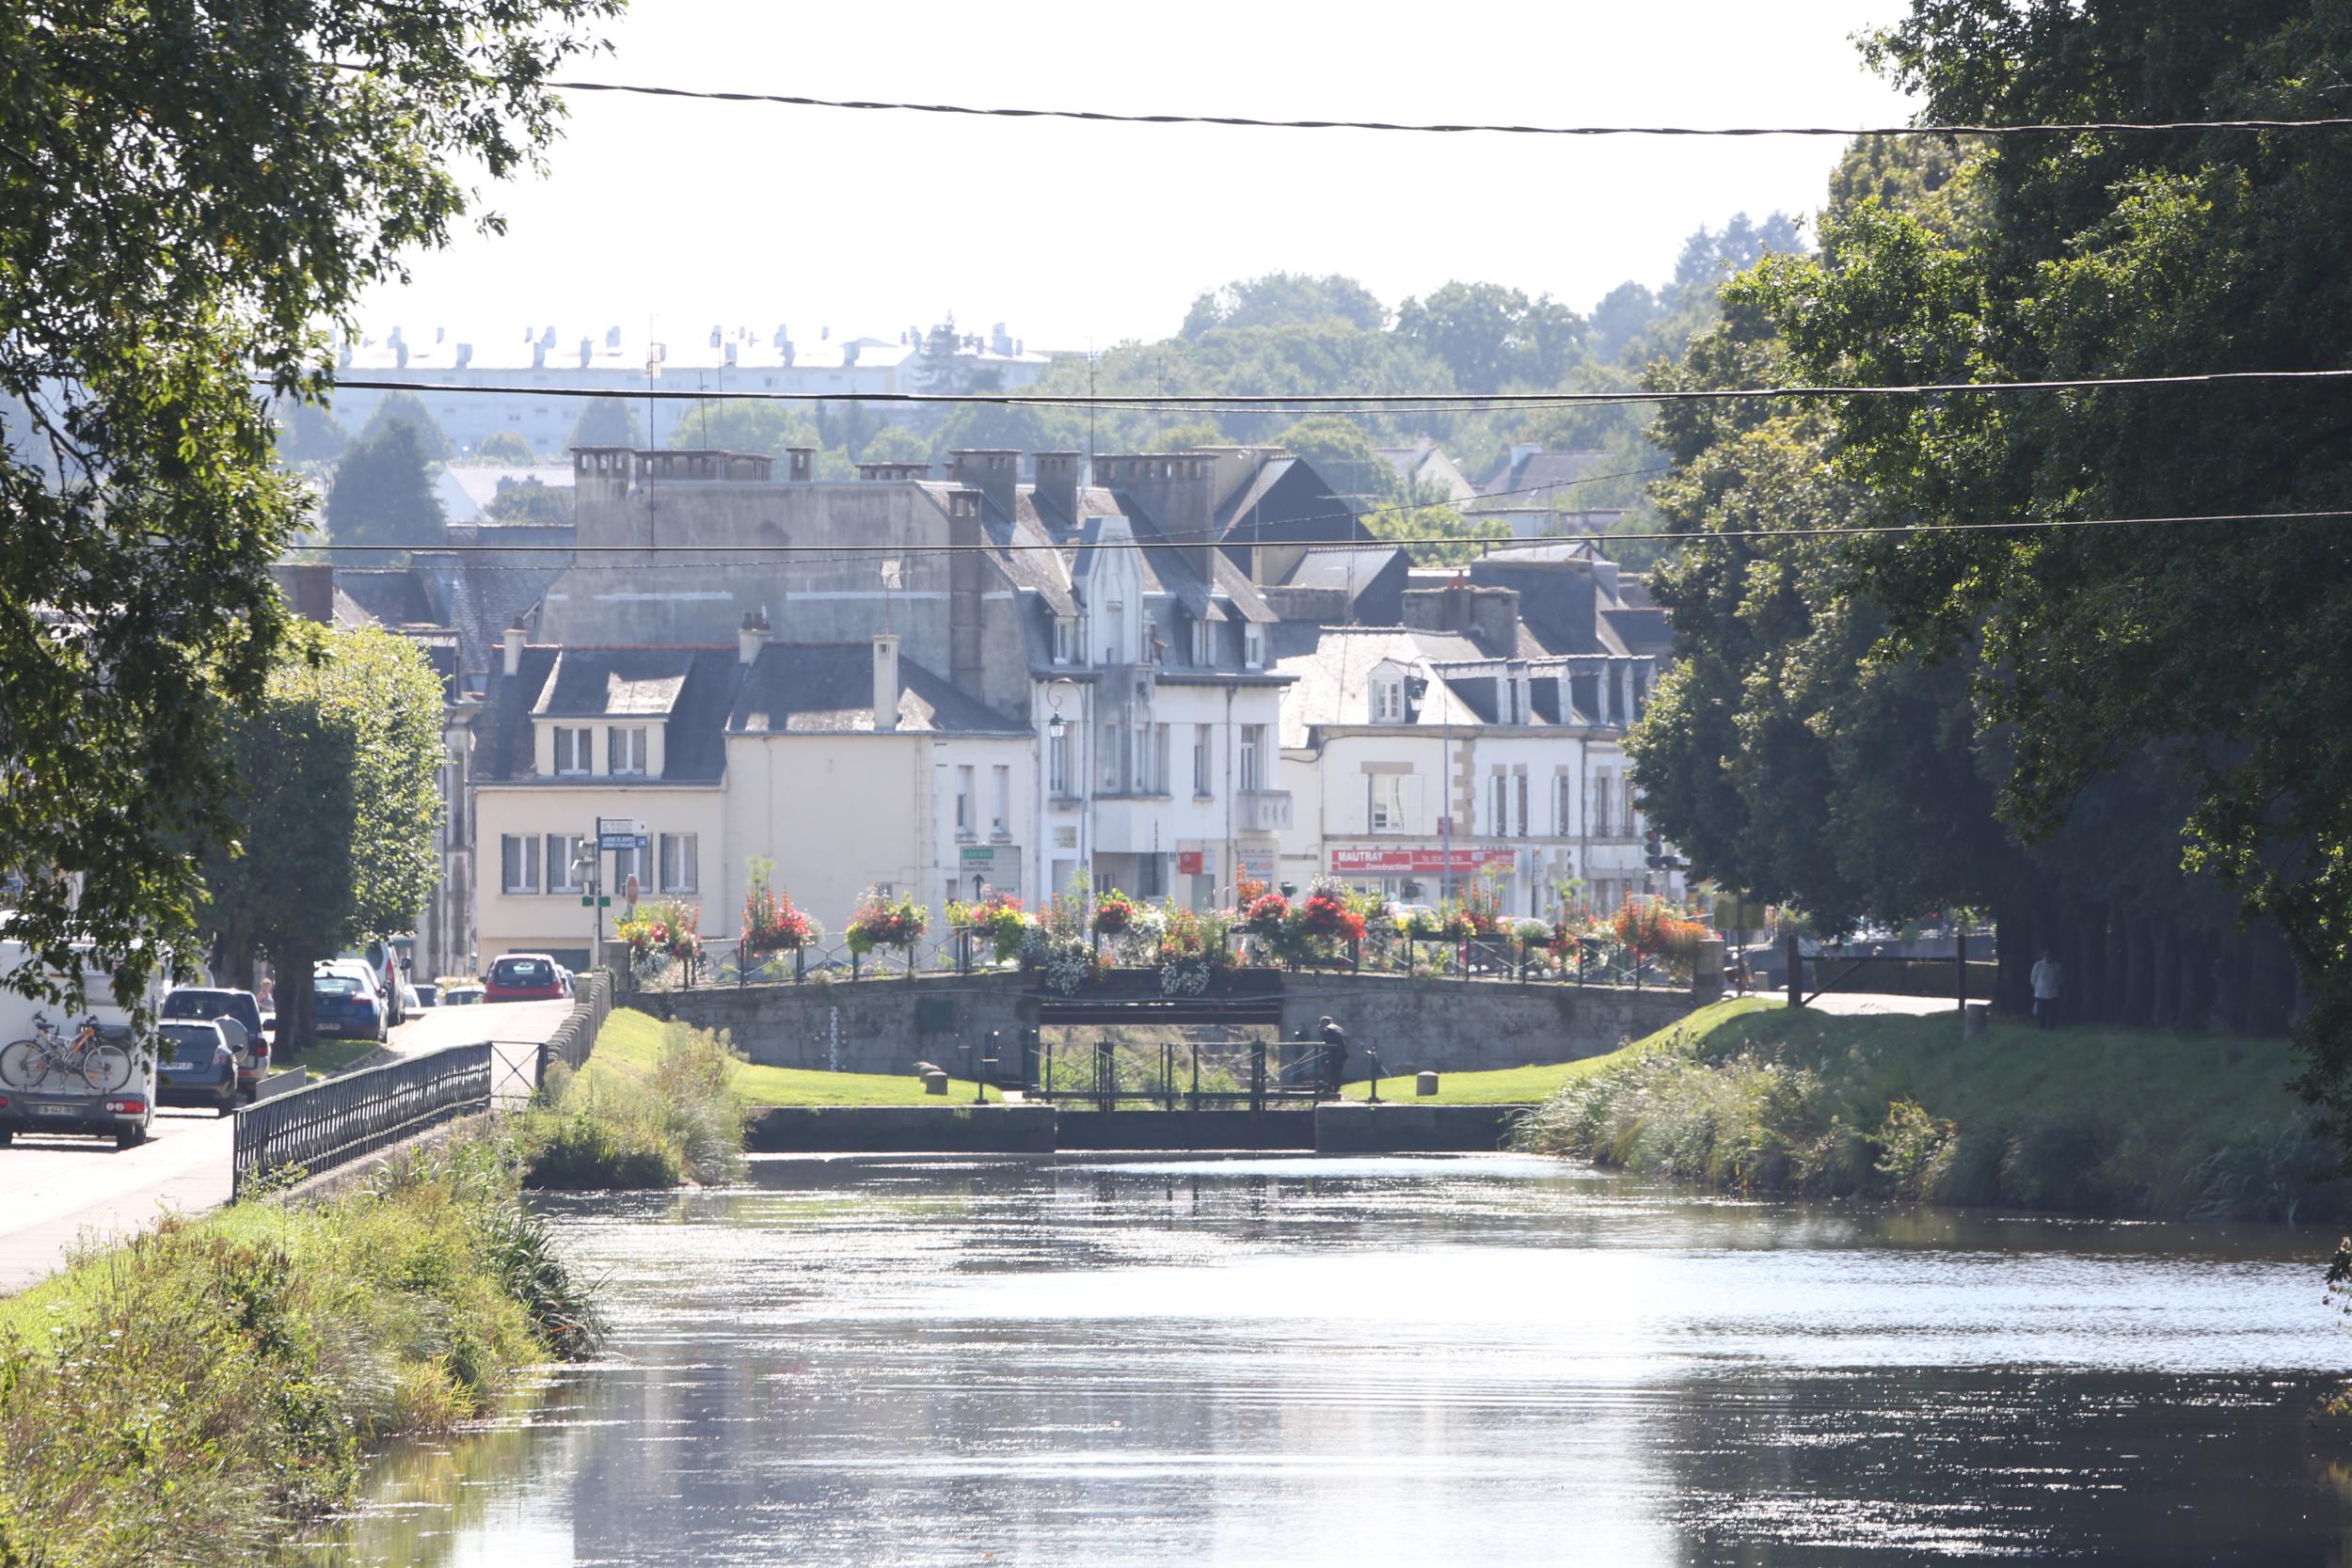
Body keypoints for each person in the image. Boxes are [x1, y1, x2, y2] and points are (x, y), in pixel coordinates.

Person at [2030, 948, 2064, 1031]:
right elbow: (2033, 978)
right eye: (2046, 955)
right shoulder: (2038, 965)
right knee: (2041, 1012)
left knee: (2052, 1011)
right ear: (2043, 956)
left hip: (2053, 992)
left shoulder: (2057, 966)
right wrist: (2037, 987)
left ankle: (2051, 1027)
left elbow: (2060, 979)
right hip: (2040, 992)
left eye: (2050, 956)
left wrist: (2056, 987)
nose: (2048, 957)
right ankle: (2042, 1026)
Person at [1317, 1014, 1349, 1098]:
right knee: (1337, 1072)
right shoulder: (1338, 1028)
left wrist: (1321, 1030)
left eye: (1321, 1023)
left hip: (1334, 1053)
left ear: (1324, 1022)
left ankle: (1329, 1088)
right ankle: (1335, 1088)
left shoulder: (1328, 1029)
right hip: (1342, 1053)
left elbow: (1327, 1040)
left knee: (1329, 1070)